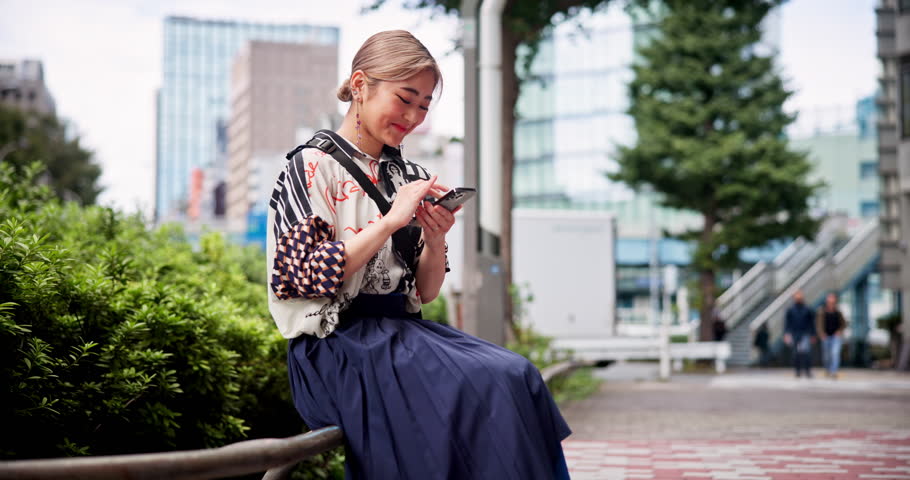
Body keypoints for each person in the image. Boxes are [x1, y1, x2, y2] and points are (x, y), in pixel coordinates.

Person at [266, 30, 571, 479]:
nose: (412, 116)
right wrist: (390, 220)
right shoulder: (310, 165)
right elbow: (305, 276)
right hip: (335, 346)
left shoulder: (412, 175)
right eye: (405, 98)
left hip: (404, 336)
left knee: (516, 375)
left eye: (424, 105)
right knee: (482, 386)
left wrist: (436, 237)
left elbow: (425, 292)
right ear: (360, 85)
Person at [783, 290, 817, 378]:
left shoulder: (807, 309)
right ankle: (797, 371)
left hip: (805, 334)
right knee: (796, 354)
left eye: (800, 297)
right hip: (794, 334)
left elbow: (812, 323)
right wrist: (786, 334)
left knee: (806, 353)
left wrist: (813, 334)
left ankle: (807, 371)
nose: (798, 298)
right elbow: (787, 323)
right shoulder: (790, 310)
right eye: (796, 297)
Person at [816, 292, 847, 379]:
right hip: (825, 336)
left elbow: (844, 324)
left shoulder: (838, 312)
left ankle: (833, 371)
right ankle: (827, 369)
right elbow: (818, 324)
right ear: (827, 300)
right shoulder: (822, 311)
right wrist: (821, 333)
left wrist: (839, 331)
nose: (831, 301)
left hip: (835, 337)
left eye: (833, 299)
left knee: (835, 353)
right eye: (830, 298)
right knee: (826, 356)